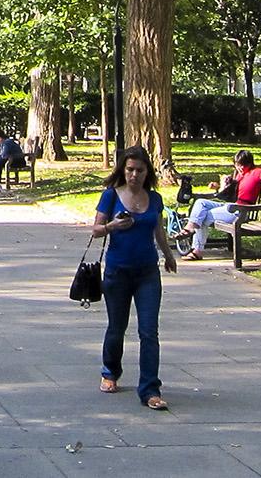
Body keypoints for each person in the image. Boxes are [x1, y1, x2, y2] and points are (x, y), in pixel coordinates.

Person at [90, 147, 179, 410]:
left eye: (140, 170)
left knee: (149, 331)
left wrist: (168, 255)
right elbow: (95, 230)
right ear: (122, 170)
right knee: (117, 328)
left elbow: (158, 231)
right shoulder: (110, 196)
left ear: (147, 172)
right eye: (130, 169)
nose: (134, 175)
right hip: (117, 272)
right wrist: (111, 227)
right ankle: (110, 372)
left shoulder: (155, 199)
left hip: (147, 272)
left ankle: (150, 389)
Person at [173, 150, 261, 259]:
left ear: (250, 164)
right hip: (232, 206)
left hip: (240, 211)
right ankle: (190, 227)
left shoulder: (256, 172)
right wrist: (217, 186)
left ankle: (197, 250)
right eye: (238, 165)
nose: (241, 168)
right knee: (200, 203)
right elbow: (229, 192)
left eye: (244, 165)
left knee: (201, 216)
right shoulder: (240, 175)